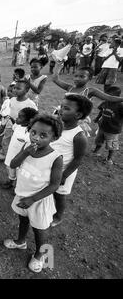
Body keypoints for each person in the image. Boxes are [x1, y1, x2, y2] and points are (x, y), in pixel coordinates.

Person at [4, 114, 63, 273]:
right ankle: (21, 241)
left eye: (43, 135)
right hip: (22, 195)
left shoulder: (55, 158)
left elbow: (54, 185)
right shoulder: (27, 148)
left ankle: (40, 255)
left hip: (39, 201)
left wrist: (33, 199)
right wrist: (25, 153)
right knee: (23, 220)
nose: (36, 138)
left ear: (54, 137)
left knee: (39, 229)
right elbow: (13, 164)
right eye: (33, 132)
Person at [50, 94, 92, 227]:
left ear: (78, 115)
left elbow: (78, 159)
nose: (61, 110)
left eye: (66, 108)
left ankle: (58, 216)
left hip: (64, 172)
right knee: (49, 190)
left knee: (59, 195)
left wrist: (64, 175)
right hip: (50, 168)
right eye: (61, 106)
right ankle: (48, 208)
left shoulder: (79, 136)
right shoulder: (58, 126)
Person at [2, 107, 38, 190]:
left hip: (21, 157)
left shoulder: (30, 133)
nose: (17, 118)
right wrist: (11, 119)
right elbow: (15, 128)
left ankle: (17, 186)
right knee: (10, 168)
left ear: (29, 121)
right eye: (18, 116)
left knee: (19, 172)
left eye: (20, 117)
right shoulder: (17, 125)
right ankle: (11, 181)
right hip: (11, 153)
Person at [92, 86, 123, 165]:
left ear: (117, 96)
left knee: (111, 145)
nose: (106, 96)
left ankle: (109, 158)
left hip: (113, 130)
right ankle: (95, 151)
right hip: (102, 127)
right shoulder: (105, 102)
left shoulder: (120, 106)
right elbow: (101, 111)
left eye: (109, 95)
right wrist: (97, 118)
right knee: (98, 140)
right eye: (106, 94)